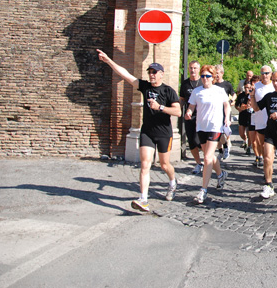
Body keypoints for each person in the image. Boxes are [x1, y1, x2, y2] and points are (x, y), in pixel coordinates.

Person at [97, 50, 181, 213]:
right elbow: (126, 75)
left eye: (155, 72)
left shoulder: (168, 91)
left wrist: (160, 107)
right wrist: (108, 61)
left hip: (164, 133)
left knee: (164, 165)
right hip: (147, 131)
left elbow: (177, 112)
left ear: (161, 74)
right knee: (145, 165)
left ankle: (172, 182)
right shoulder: (145, 87)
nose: (152, 75)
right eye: (150, 72)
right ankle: (143, 199)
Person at [185, 65, 231, 204]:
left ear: (213, 77)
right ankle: (221, 174)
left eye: (208, 76)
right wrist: (188, 112)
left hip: (215, 127)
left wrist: (227, 118)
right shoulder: (196, 92)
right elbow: (191, 106)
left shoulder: (219, 90)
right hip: (201, 127)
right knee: (209, 156)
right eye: (203, 76)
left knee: (206, 157)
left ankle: (203, 190)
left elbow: (227, 105)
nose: (205, 79)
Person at [179, 61, 203, 174]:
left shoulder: (202, 83)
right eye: (191, 68)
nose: (192, 70)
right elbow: (182, 99)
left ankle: (209, 159)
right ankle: (198, 163)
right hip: (189, 117)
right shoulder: (185, 84)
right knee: (192, 141)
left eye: (195, 68)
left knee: (201, 141)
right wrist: (178, 109)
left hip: (202, 117)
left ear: (199, 69)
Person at [252, 66, 275, 168]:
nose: (264, 75)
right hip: (260, 119)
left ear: (271, 74)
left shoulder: (274, 85)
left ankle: (269, 165)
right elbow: (253, 105)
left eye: (266, 73)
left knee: (270, 145)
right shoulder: (256, 86)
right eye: (262, 73)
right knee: (262, 144)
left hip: (273, 120)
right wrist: (252, 96)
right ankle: (264, 159)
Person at [214, 64, 235, 160]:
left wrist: (231, 101)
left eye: (217, 73)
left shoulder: (227, 85)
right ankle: (221, 150)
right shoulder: (212, 84)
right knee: (216, 132)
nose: (216, 75)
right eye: (215, 73)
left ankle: (226, 145)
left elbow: (234, 95)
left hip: (225, 111)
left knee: (222, 132)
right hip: (215, 111)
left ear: (222, 73)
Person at [235, 80, 253, 155]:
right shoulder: (241, 95)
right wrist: (239, 109)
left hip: (250, 116)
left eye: (248, 88)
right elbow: (236, 105)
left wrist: (248, 107)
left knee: (249, 133)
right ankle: (245, 140)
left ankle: (248, 147)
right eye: (245, 87)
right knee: (241, 133)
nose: (247, 89)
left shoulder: (252, 96)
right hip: (242, 115)